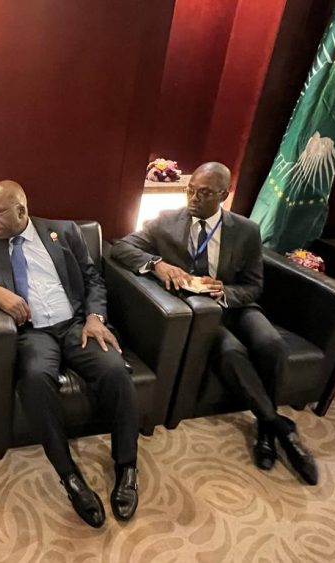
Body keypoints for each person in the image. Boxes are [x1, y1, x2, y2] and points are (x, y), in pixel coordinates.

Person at [111, 162, 318, 485]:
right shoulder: (166, 220)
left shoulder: (246, 230)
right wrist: (158, 264)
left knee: (271, 343)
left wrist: (226, 291)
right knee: (231, 351)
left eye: (204, 193)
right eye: (191, 190)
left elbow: (254, 286)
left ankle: (266, 428)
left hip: (235, 304)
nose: (193, 198)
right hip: (201, 314)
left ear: (223, 194)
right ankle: (278, 427)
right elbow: (122, 247)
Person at [0, 180, 140, 528]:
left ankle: (127, 467)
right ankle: (70, 476)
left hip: (77, 325)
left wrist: (95, 317)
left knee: (115, 369)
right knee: (36, 379)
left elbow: (93, 278)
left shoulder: (63, 232)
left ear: (21, 210)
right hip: (34, 333)